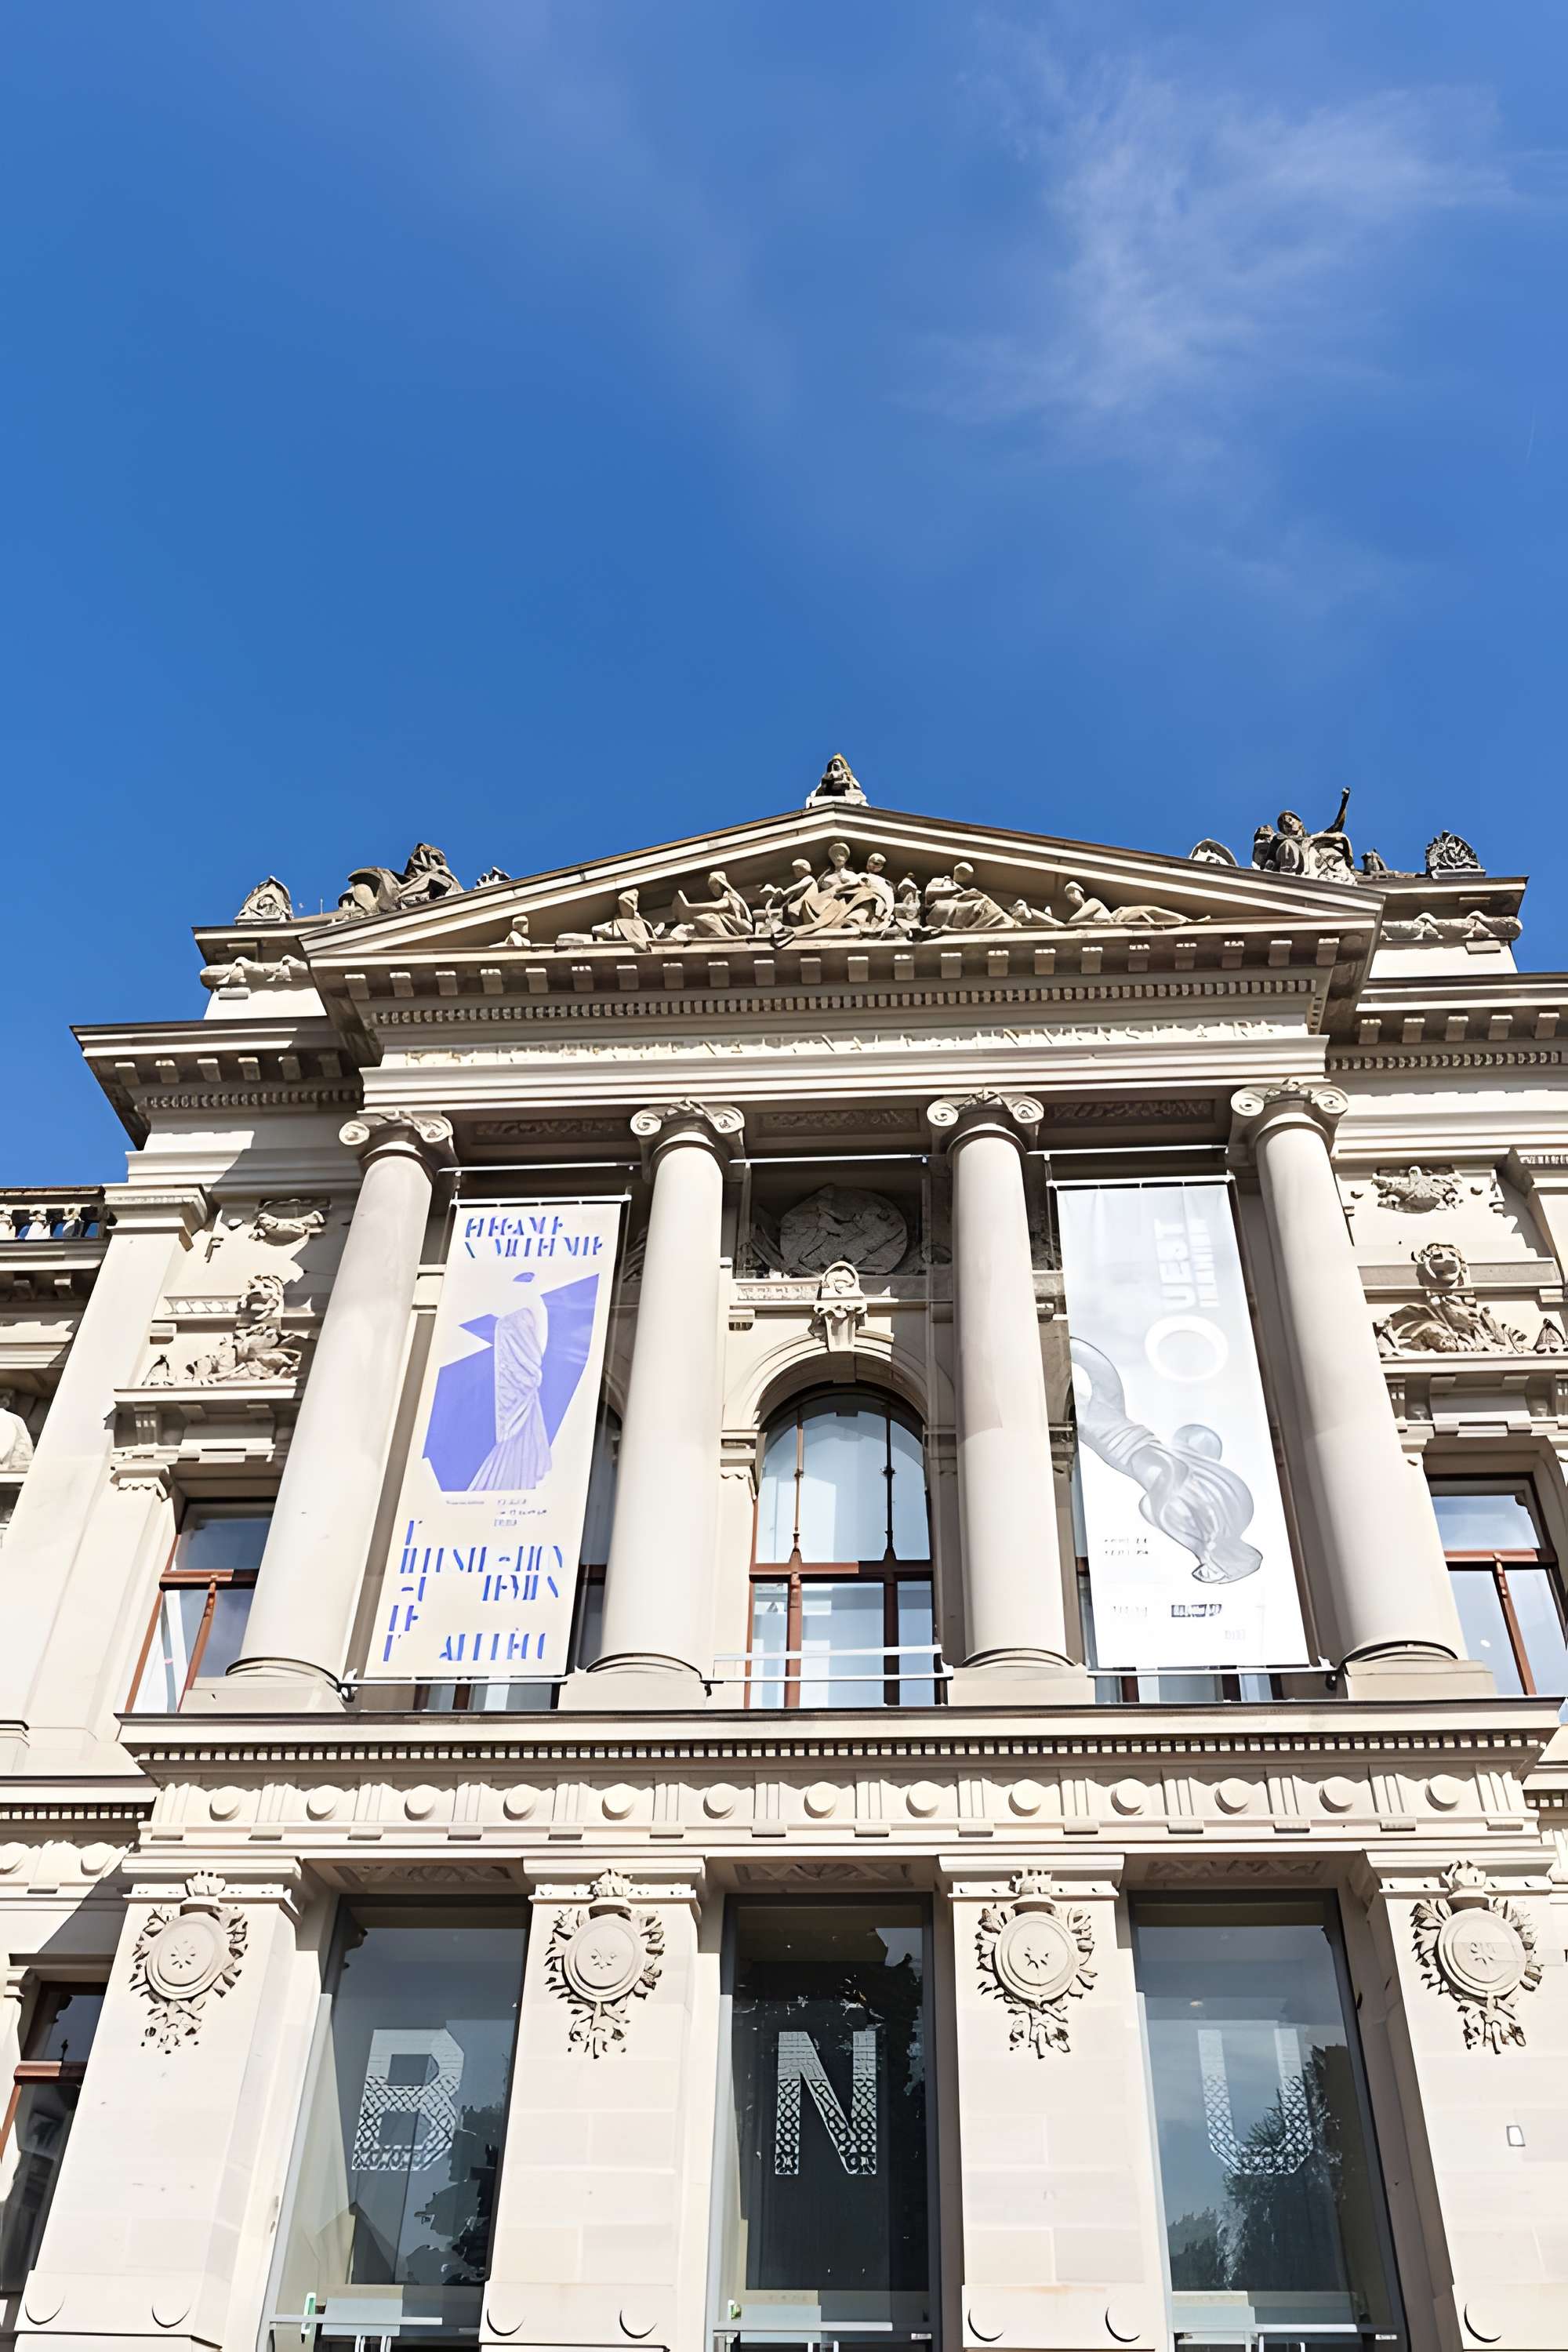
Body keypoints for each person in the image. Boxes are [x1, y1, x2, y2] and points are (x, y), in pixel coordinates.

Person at [1070, 1339, 1262, 1583]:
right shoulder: (1164, 1475)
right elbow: (1097, 1367)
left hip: (1121, 1443)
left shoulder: (1167, 1494)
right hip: (1122, 1442)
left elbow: (1096, 1367)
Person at [470, 1273, 553, 1492]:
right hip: (513, 1381)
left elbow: (533, 1348)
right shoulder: (526, 1311)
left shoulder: (530, 1311)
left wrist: (529, 1372)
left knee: (523, 1428)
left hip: (521, 1379)